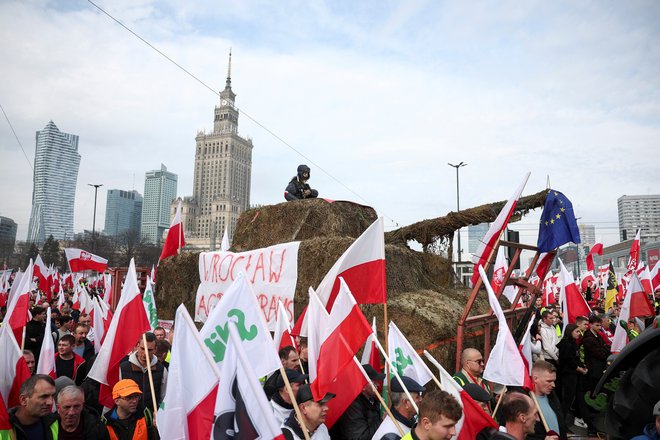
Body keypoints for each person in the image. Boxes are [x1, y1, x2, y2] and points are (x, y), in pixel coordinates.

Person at [555, 324, 593, 434]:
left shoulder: (572, 343)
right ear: (570, 332)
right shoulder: (566, 344)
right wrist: (580, 369)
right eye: (577, 331)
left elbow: (575, 358)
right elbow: (569, 361)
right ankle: (561, 425)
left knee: (578, 398)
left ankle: (587, 422)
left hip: (575, 374)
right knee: (567, 400)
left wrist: (582, 366)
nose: (579, 334)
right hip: (569, 375)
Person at [333, 364, 385, 439]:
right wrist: (382, 422)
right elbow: (359, 437)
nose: (377, 385)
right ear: (362, 386)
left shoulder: (373, 400)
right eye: (374, 382)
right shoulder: (353, 406)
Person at [119, 333, 168, 411]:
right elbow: (117, 396)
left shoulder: (161, 370)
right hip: (129, 419)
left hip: (151, 417)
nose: (145, 353)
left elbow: (164, 398)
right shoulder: (124, 368)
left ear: (155, 349)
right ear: (137, 346)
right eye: (142, 348)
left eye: (150, 350)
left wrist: (161, 413)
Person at [372, 375, 425, 440]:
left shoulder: (409, 420)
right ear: (406, 403)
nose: (421, 399)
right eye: (417, 397)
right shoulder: (391, 435)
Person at [8, 374, 57, 440]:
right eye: (44, 396)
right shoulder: (4, 426)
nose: (50, 402)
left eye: (52, 396)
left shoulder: (55, 421)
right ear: (23, 400)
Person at [528, 361, 566, 440]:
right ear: (535, 379)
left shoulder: (552, 395)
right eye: (549, 381)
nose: (553, 385)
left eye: (554, 381)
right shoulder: (526, 402)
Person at [582, 315, 610, 394]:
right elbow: (599, 354)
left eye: (600, 325)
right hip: (593, 369)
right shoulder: (588, 338)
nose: (599, 327)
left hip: (599, 367)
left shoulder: (598, 336)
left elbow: (606, 347)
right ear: (590, 325)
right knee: (594, 390)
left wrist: (605, 350)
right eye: (597, 325)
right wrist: (605, 351)